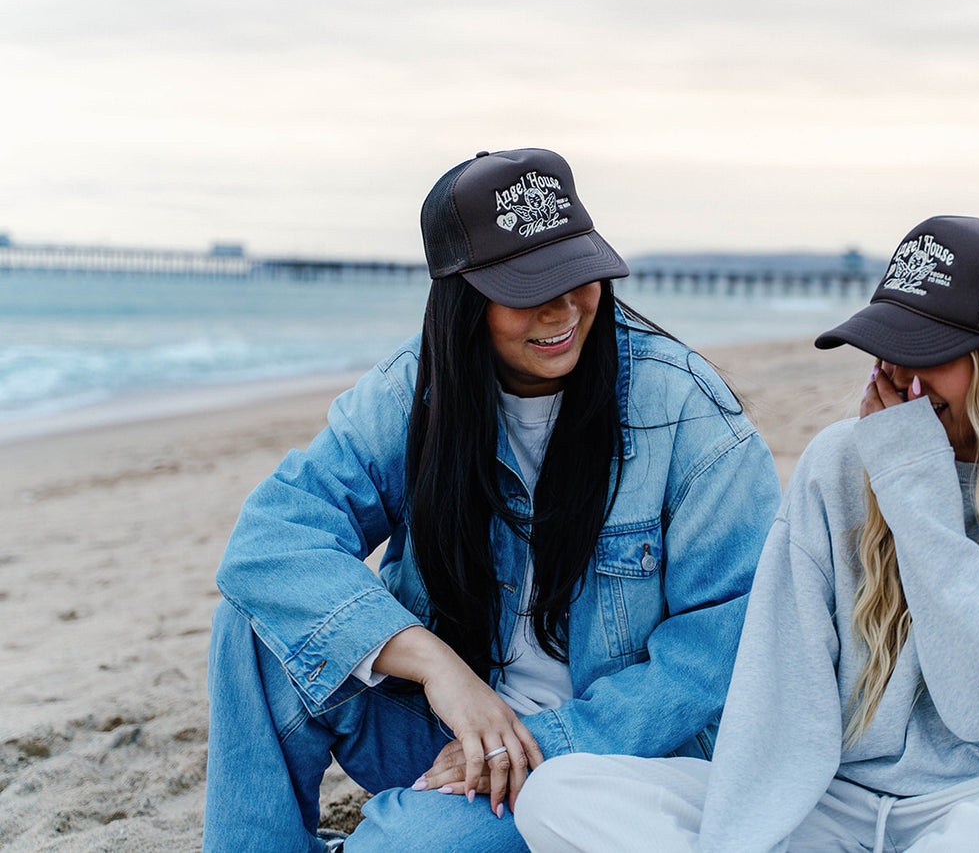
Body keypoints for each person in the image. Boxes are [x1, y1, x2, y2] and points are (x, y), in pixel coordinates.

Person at [202, 148, 781, 853]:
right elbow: (269, 542)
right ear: (461, 296)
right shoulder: (411, 394)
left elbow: (722, 645)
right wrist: (436, 668)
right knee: (252, 628)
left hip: (607, 762)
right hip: (451, 726)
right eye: (527, 286)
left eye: (577, 274)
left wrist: (535, 740)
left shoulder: (685, 410)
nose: (564, 307)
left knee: (404, 847)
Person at [514, 215, 979, 852]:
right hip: (825, 795)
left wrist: (912, 482)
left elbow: (978, 700)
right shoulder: (839, 461)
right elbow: (781, 682)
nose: (900, 374)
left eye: (929, 352)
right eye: (892, 345)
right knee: (559, 794)